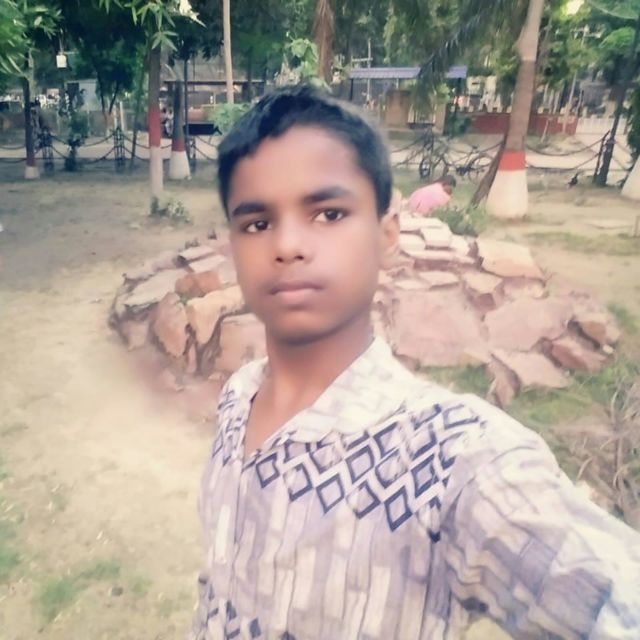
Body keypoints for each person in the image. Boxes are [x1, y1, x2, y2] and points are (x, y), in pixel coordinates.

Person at [190, 85, 640, 640]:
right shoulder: (238, 397)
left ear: (387, 236)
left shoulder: (455, 461)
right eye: (257, 223)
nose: (287, 245)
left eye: (328, 213)